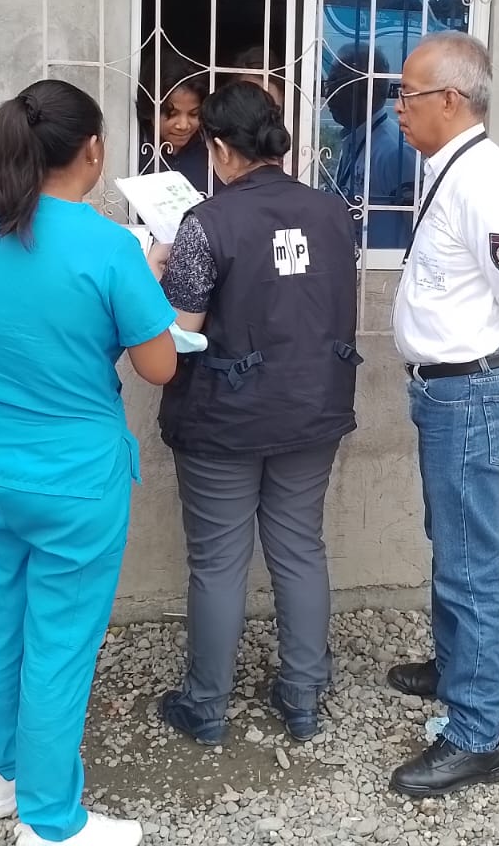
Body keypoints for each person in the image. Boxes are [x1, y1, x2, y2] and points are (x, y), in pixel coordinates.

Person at [0, 79, 178, 846]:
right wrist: (148, 275)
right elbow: (159, 367)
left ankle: (0, 779)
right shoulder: (110, 248)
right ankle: (50, 821)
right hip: (73, 480)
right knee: (60, 644)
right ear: (93, 150)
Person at [148, 81, 361, 746]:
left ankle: (206, 705)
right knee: (299, 548)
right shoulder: (333, 213)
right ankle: (302, 696)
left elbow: (178, 334)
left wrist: (154, 270)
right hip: (313, 405)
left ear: (217, 148)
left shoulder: (206, 223)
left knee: (218, 562)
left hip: (225, 418)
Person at [384, 31, 499, 798]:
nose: (397, 107)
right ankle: (458, 667)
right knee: (451, 541)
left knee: (469, 563)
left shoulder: (484, 181)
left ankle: (479, 732)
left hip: (467, 393)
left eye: (408, 94)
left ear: (451, 100)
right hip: (446, 390)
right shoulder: (447, 167)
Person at [323, 43, 418, 250]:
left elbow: (417, 227)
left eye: (337, 85)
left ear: (367, 92)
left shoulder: (394, 152)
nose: (329, 94)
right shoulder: (356, 139)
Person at [137, 53, 219, 194]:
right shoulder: (132, 148)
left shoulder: (213, 150)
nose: (183, 125)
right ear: (150, 109)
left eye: (194, 114)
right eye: (172, 114)